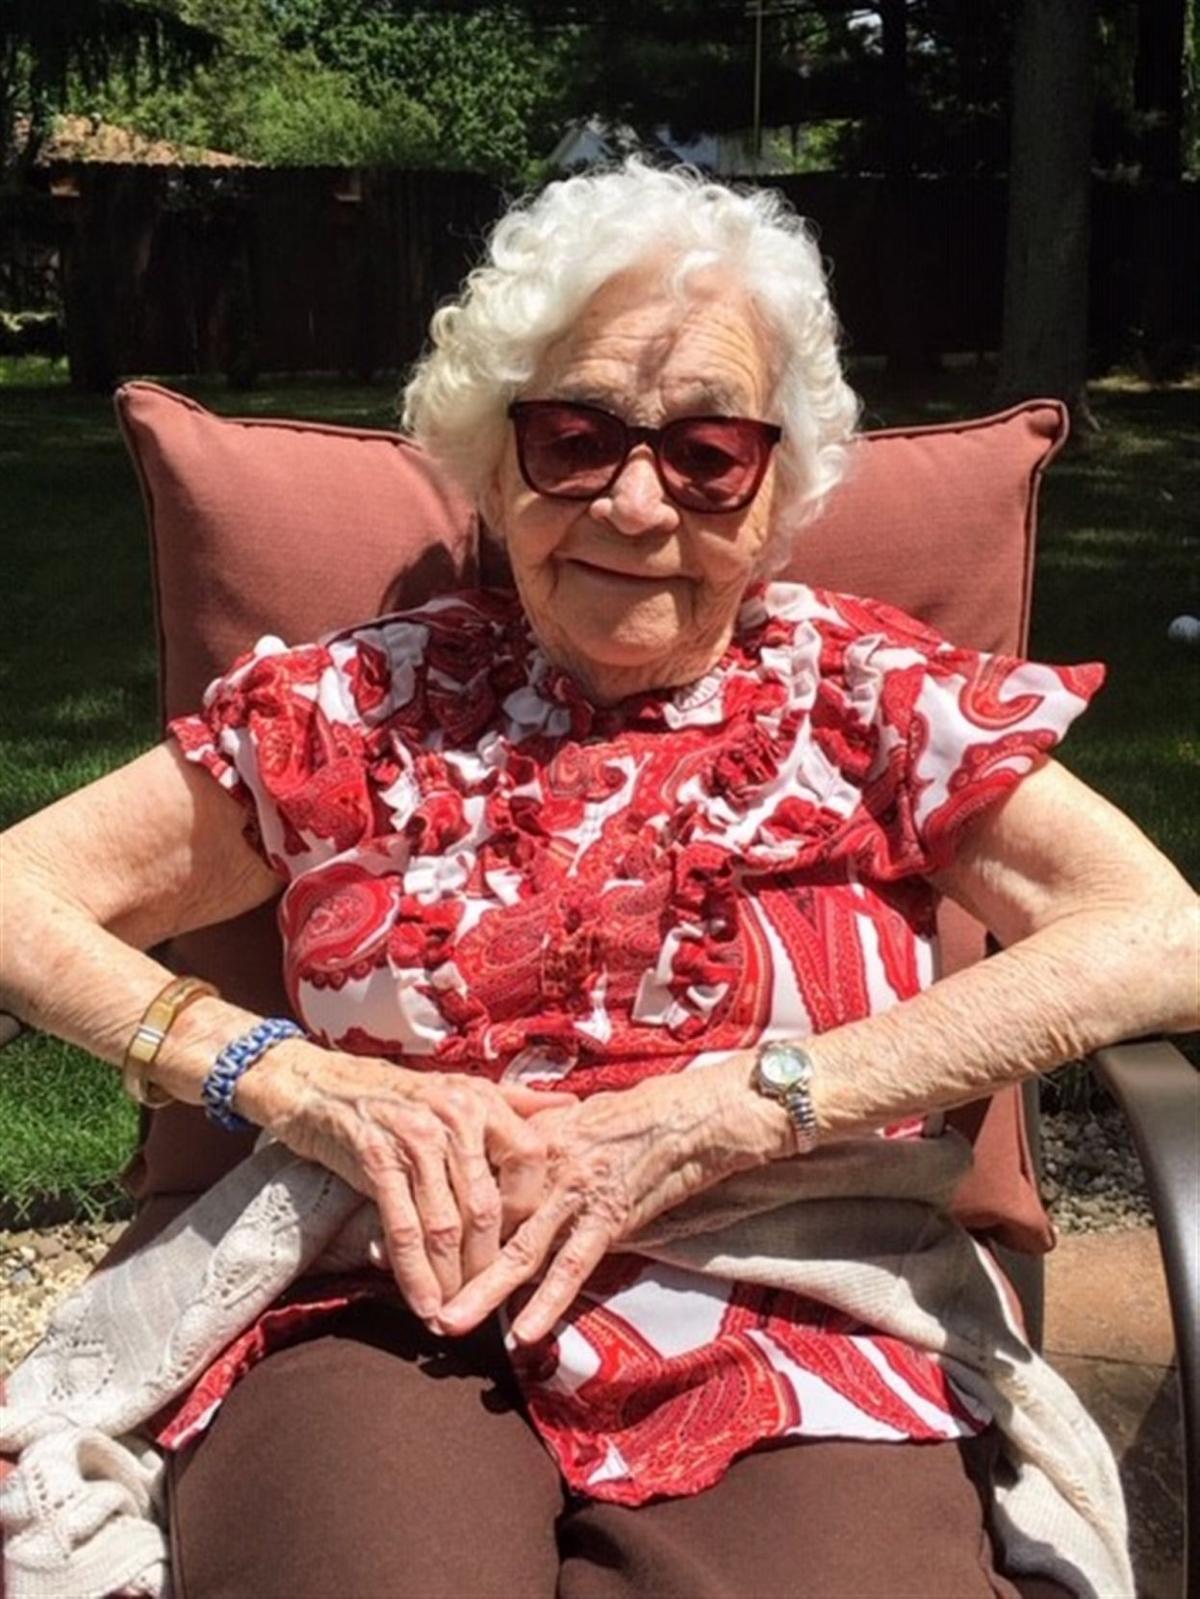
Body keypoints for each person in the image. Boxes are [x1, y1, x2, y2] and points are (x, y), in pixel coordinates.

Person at [1, 162, 1195, 1599]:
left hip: (793, 1293)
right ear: (493, 466)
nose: (635, 503)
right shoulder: (355, 711)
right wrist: (279, 1076)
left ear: (773, 493)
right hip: (387, 1287)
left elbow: (1161, 932)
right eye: (574, 438)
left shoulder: (872, 698)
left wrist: (756, 1097)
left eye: (707, 455)